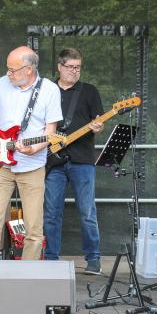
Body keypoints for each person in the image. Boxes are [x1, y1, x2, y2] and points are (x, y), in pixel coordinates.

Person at [0, 46, 63, 261]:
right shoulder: (2, 83)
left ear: (28, 69)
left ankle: (28, 280)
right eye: (7, 69)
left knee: (34, 229)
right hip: (2, 166)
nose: (8, 73)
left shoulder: (50, 90)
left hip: (32, 166)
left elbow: (51, 133)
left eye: (13, 69)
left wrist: (33, 148)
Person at [43, 47, 104, 275]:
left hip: (82, 160)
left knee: (88, 211)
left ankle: (94, 259)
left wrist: (99, 125)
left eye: (78, 67)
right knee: (52, 211)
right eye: (70, 67)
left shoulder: (89, 91)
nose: (74, 71)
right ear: (59, 67)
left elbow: (99, 121)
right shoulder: (46, 90)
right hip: (52, 160)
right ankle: (51, 258)